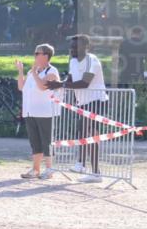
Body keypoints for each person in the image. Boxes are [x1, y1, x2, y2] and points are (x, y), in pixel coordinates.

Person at [44, 34, 108, 176]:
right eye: (71, 46)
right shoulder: (73, 61)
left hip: (97, 101)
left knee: (88, 132)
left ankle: (90, 168)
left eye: (75, 46)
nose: (72, 49)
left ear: (86, 47)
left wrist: (60, 84)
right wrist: (60, 84)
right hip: (83, 102)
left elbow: (85, 83)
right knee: (84, 132)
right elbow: (71, 79)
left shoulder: (92, 60)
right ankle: (86, 167)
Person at [16, 44, 60, 180]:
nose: (35, 55)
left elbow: (42, 87)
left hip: (45, 112)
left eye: (37, 53)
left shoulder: (52, 72)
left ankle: (49, 169)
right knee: (35, 142)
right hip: (31, 111)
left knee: (47, 141)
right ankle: (35, 169)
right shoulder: (32, 72)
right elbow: (21, 87)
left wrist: (35, 73)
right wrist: (21, 71)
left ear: (46, 56)